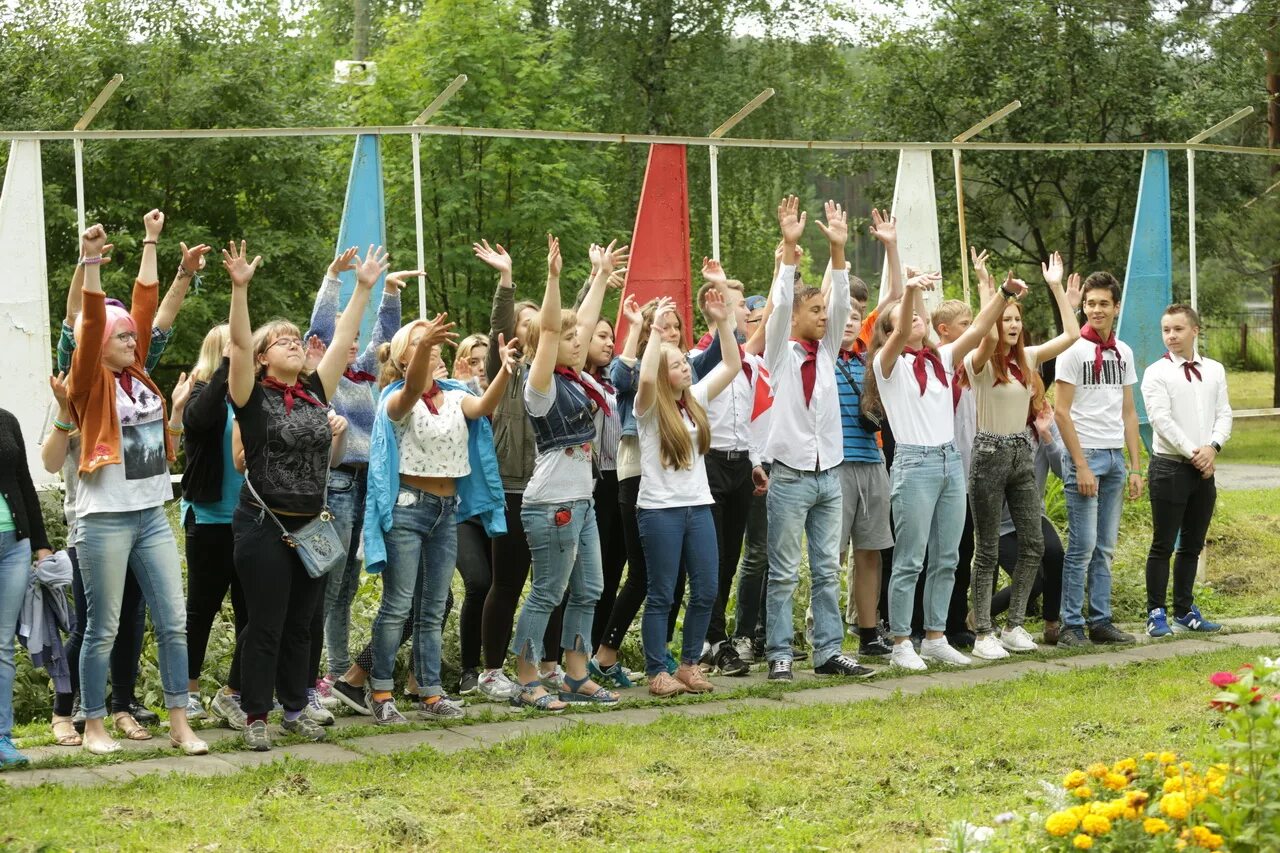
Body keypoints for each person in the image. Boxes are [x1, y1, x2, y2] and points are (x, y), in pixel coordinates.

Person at [226, 239, 383, 750]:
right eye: (283, 341)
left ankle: (295, 708)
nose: (295, 343)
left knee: (302, 623)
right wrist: (240, 289)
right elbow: (239, 344)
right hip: (264, 524)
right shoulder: (251, 396)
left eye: (298, 338)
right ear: (263, 355)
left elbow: (339, 340)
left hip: (313, 523)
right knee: (266, 624)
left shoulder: (316, 391)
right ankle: (255, 716)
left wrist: (362, 288)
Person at [52, 236, 207, 733]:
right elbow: (92, 318)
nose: (133, 343)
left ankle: (180, 723)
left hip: (151, 514)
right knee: (101, 628)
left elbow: (147, 311)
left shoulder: (138, 375)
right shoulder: (85, 382)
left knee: (173, 622)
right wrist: (91, 262)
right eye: (123, 339)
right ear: (98, 343)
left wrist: (152, 244)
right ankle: (91, 723)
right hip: (104, 518)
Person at [862, 244, 1021, 672]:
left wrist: (1003, 294)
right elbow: (895, 334)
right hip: (914, 465)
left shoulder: (940, 359)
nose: (917, 319)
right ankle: (900, 642)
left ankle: (935, 637)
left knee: (948, 556)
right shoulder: (886, 363)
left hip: (951, 461)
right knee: (910, 559)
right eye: (909, 316)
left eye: (919, 315)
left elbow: (979, 330)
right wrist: (910, 291)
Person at [361, 315, 516, 724]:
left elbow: (483, 407)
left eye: (428, 343)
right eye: (417, 344)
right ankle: (380, 692)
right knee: (397, 607)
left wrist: (504, 370)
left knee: (432, 609)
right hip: (408, 509)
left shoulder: (455, 394)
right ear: (401, 356)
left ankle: (430, 693)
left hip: (446, 512)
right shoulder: (396, 398)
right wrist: (426, 345)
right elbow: (413, 387)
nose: (428, 347)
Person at [761, 196, 872, 681]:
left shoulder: (827, 353)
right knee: (784, 572)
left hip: (829, 476)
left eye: (827, 309)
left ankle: (828, 652)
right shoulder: (780, 353)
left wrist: (838, 251)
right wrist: (789, 250)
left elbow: (845, 300)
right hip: (789, 478)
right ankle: (780, 652)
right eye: (817, 309)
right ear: (798, 316)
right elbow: (782, 303)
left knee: (828, 571)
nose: (827, 316)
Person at [507, 234, 619, 710]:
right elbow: (554, 331)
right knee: (548, 592)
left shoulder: (579, 380)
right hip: (551, 503)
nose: (580, 341)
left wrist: (598, 278)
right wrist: (554, 279)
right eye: (569, 338)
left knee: (589, 587)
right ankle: (527, 680)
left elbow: (582, 320)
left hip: (582, 500)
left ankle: (574, 677)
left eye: (580, 338)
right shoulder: (541, 386)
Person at [302, 253, 411, 716]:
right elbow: (322, 327)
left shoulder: (362, 374)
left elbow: (387, 342)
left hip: (366, 484)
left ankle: (339, 672)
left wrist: (389, 295)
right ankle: (315, 677)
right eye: (342, 339)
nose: (351, 344)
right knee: (327, 583)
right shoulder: (320, 381)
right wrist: (333, 278)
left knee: (345, 587)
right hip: (338, 482)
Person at [963, 250, 1079, 660]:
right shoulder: (978, 362)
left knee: (1034, 544)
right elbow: (986, 334)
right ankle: (983, 633)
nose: (1012, 325)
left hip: (1020, 453)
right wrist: (988, 288)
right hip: (990, 452)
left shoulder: (1027, 360)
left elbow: (1071, 336)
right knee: (988, 549)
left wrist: (1055, 287)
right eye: (1006, 318)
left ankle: (1013, 626)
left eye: (1017, 319)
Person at [634, 286, 741, 696]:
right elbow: (645, 375)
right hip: (660, 510)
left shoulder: (693, 398)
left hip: (698, 507)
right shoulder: (647, 407)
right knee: (662, 592)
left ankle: (690, 664)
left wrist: (722, 320)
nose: (684, 368)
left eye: (684, 362)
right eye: (676, 365)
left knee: (707, 589)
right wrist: (657, 332)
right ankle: (656, 670)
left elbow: (731, 363)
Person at [473, 239, 567, 701]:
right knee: (506, 582)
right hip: (511, 489)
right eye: (522, 324)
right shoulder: (504, 369)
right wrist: (506, 279)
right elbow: (498, 326)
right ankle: (491, 671)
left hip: (551, 488)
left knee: (553, 583)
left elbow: (570, 327)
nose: (529, 329)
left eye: (537, 322)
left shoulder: (555, 376)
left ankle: (545, 664)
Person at [1053, 271, 1142, 647]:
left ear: (1116, 307)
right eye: (1090, 303)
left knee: (1105, 547)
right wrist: (1081, 464)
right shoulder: (1073, 353)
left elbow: (1129, 412)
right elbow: (1061, 412)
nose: (1096, 310)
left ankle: (1101, 621)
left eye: (1104, 303)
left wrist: (1135, 466)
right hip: (1085, 455)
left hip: (1114, 457)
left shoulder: (1124, 352)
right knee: (1082, 546)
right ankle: (1071, 625)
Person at [1140, 304, 1231, 637]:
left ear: (1195, 330)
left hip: (1203, 469)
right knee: (1162, 543)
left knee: (1192, 544)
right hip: (1170, 467)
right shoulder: (1156, 373)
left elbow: (1224, 414)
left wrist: (1212, 448)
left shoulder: (1215, 370)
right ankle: (1155, 612)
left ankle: (1184, 609)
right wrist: (1196, 452)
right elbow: (1160, 421)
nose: (1171, 336)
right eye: (1166, 330)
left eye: (1178, 329)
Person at [173, 324, 247, 728]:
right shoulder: (201, 393)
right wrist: (224, 369)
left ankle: (236, 692)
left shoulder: (250, 394)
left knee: (250, 611)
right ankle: (189, 690)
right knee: (201, 609)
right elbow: (198, 422)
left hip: (250, 519)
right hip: (209, 519)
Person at [0, 408, 55, 767]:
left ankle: (2, 738)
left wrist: (41, 543)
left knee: (3, 645)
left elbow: (23, 481)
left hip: (13, 546)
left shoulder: (6, 420)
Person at [990, 392, 1066, 645]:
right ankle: (979, 615)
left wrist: (1046, 436)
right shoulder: (997, 419)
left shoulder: (1046, 420)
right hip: (999, 523)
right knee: (1033, 583)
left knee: (1055, 553)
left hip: (1033, 514)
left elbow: (1064, 471)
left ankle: (1051, 622)